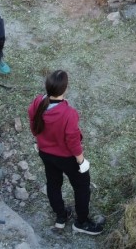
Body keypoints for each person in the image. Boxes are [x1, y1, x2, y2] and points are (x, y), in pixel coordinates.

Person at [29, 70, 104, 236]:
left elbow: (33, 122)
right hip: (66, 158)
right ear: (65, 89)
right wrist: (81, 161)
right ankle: (82, 222)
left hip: (45, 153)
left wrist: (38, 140)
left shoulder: (37, 102)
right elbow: (72, 140)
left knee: (53, 183)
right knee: (82, 187)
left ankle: (61, 216)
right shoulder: (68, 113)